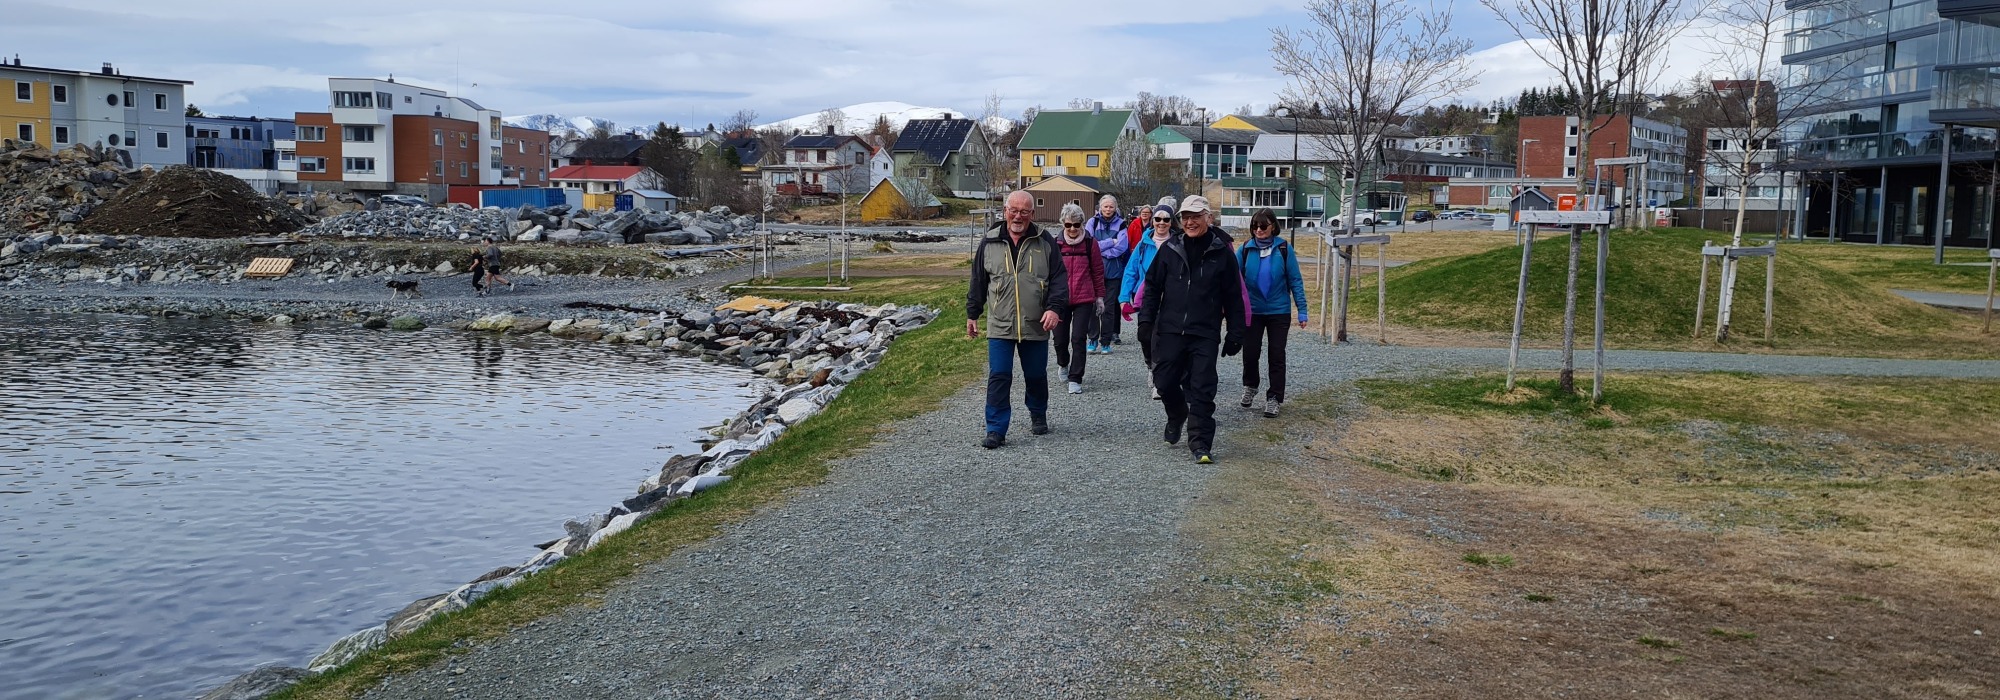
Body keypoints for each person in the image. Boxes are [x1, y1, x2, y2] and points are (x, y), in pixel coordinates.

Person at [1141, 195, 1246, 464]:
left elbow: (1234, 296)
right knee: (1164, 382)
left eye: (1196, 217)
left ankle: (1200, 443)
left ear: (1208, 218)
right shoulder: (1170, 248)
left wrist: (1236, 332)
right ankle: (1177, 414)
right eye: (1186, 217)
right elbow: (1152, 287)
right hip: (1170, 329)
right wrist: (1145, 322)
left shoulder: (1222, 253)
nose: (1190, 222)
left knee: (1202, 387)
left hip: (1205, 331)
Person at [967, 190, 1069, 449]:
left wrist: (1054, 309)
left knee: (1035, 375)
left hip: (1035, 322)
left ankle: (1038, 412)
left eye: (1024, 211)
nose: (1018, 216)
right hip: (1000, 323)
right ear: (1005, 211)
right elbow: (978, 280)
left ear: (1032, 214)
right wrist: (973, 313)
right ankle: (996, 429)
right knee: (999, 375)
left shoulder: (1045, 241)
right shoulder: (989, 241)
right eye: (1013, 210)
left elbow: (1059, 279)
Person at [1236, 209, 1308, 418]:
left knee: (1276, 354)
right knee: (1250, 352)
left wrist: (1302, 310)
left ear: (1273, 226)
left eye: (1263, 226)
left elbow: (1295, 280)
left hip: (1279, 310)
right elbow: (1233, 279)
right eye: (1255, 226)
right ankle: (1250, 385)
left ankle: (1274, 397)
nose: (1258, 230)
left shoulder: (1284, 248)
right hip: (1253, 311)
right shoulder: (1245, 249)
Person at [1119, 203, 1177, 399]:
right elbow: (1131, 271)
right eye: (1158, 219)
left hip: (1170, 298)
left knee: (1162, 337)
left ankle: (1160, 379)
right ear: (1152, 221)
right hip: (1145, 297)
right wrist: (1124, 298)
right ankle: (1150, 365)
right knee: (1144, 334)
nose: (1161, 223)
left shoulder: (1178, 243)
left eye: (1166, 219)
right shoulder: (1144, 244)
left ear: (1171, 222)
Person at [1051, 203, 1107, 394]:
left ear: (1082, 223)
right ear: (1063, 224)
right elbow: (1049, 274)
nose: (1073, 229)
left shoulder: (1091, 243)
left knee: (1078, 338)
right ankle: (1063, 363)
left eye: (1076, 224)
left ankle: (1076, 378)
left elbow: (1098, 272)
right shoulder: (1056, 244)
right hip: (1061, 299)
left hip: (1084, 298)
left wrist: (1100, 297)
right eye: (1068, 225)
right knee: (1059, 339)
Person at [1082, 195, 1128, 354]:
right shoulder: (1092, 222)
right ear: (1100, 207)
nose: (1108, 209)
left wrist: (1102, 252)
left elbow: (1122, 246)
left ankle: (1106, 341)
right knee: (1093, 306)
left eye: (1111, 207)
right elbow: (1089, 244)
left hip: (1113, 273)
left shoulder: (1121, 224)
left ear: (1115, 208)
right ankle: (1093, 339)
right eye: (1105, 206)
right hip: (1094, 272)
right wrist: (1110, 242)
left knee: (1108, 308)